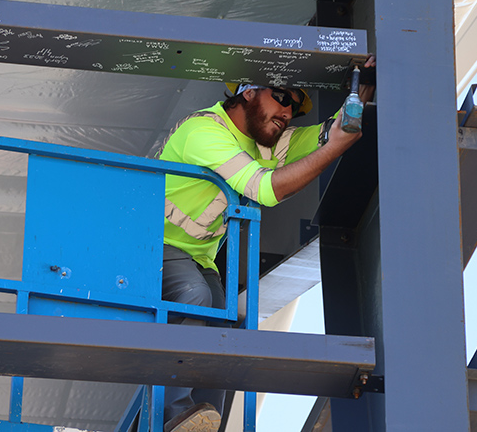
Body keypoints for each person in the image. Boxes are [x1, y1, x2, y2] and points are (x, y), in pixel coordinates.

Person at [155, 56, 376, 432]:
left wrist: (363, 90)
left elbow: (330, 132)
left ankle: (203, 422)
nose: (288, 111)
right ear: (248, 90)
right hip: (154, 245)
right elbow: (265, 188)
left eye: (295, 105)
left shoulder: (269, 143)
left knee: (232, 327)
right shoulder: (205, 131)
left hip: (198, 258)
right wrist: (335, 148)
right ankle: (172, 416)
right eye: (281, 98)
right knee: (194, 298)